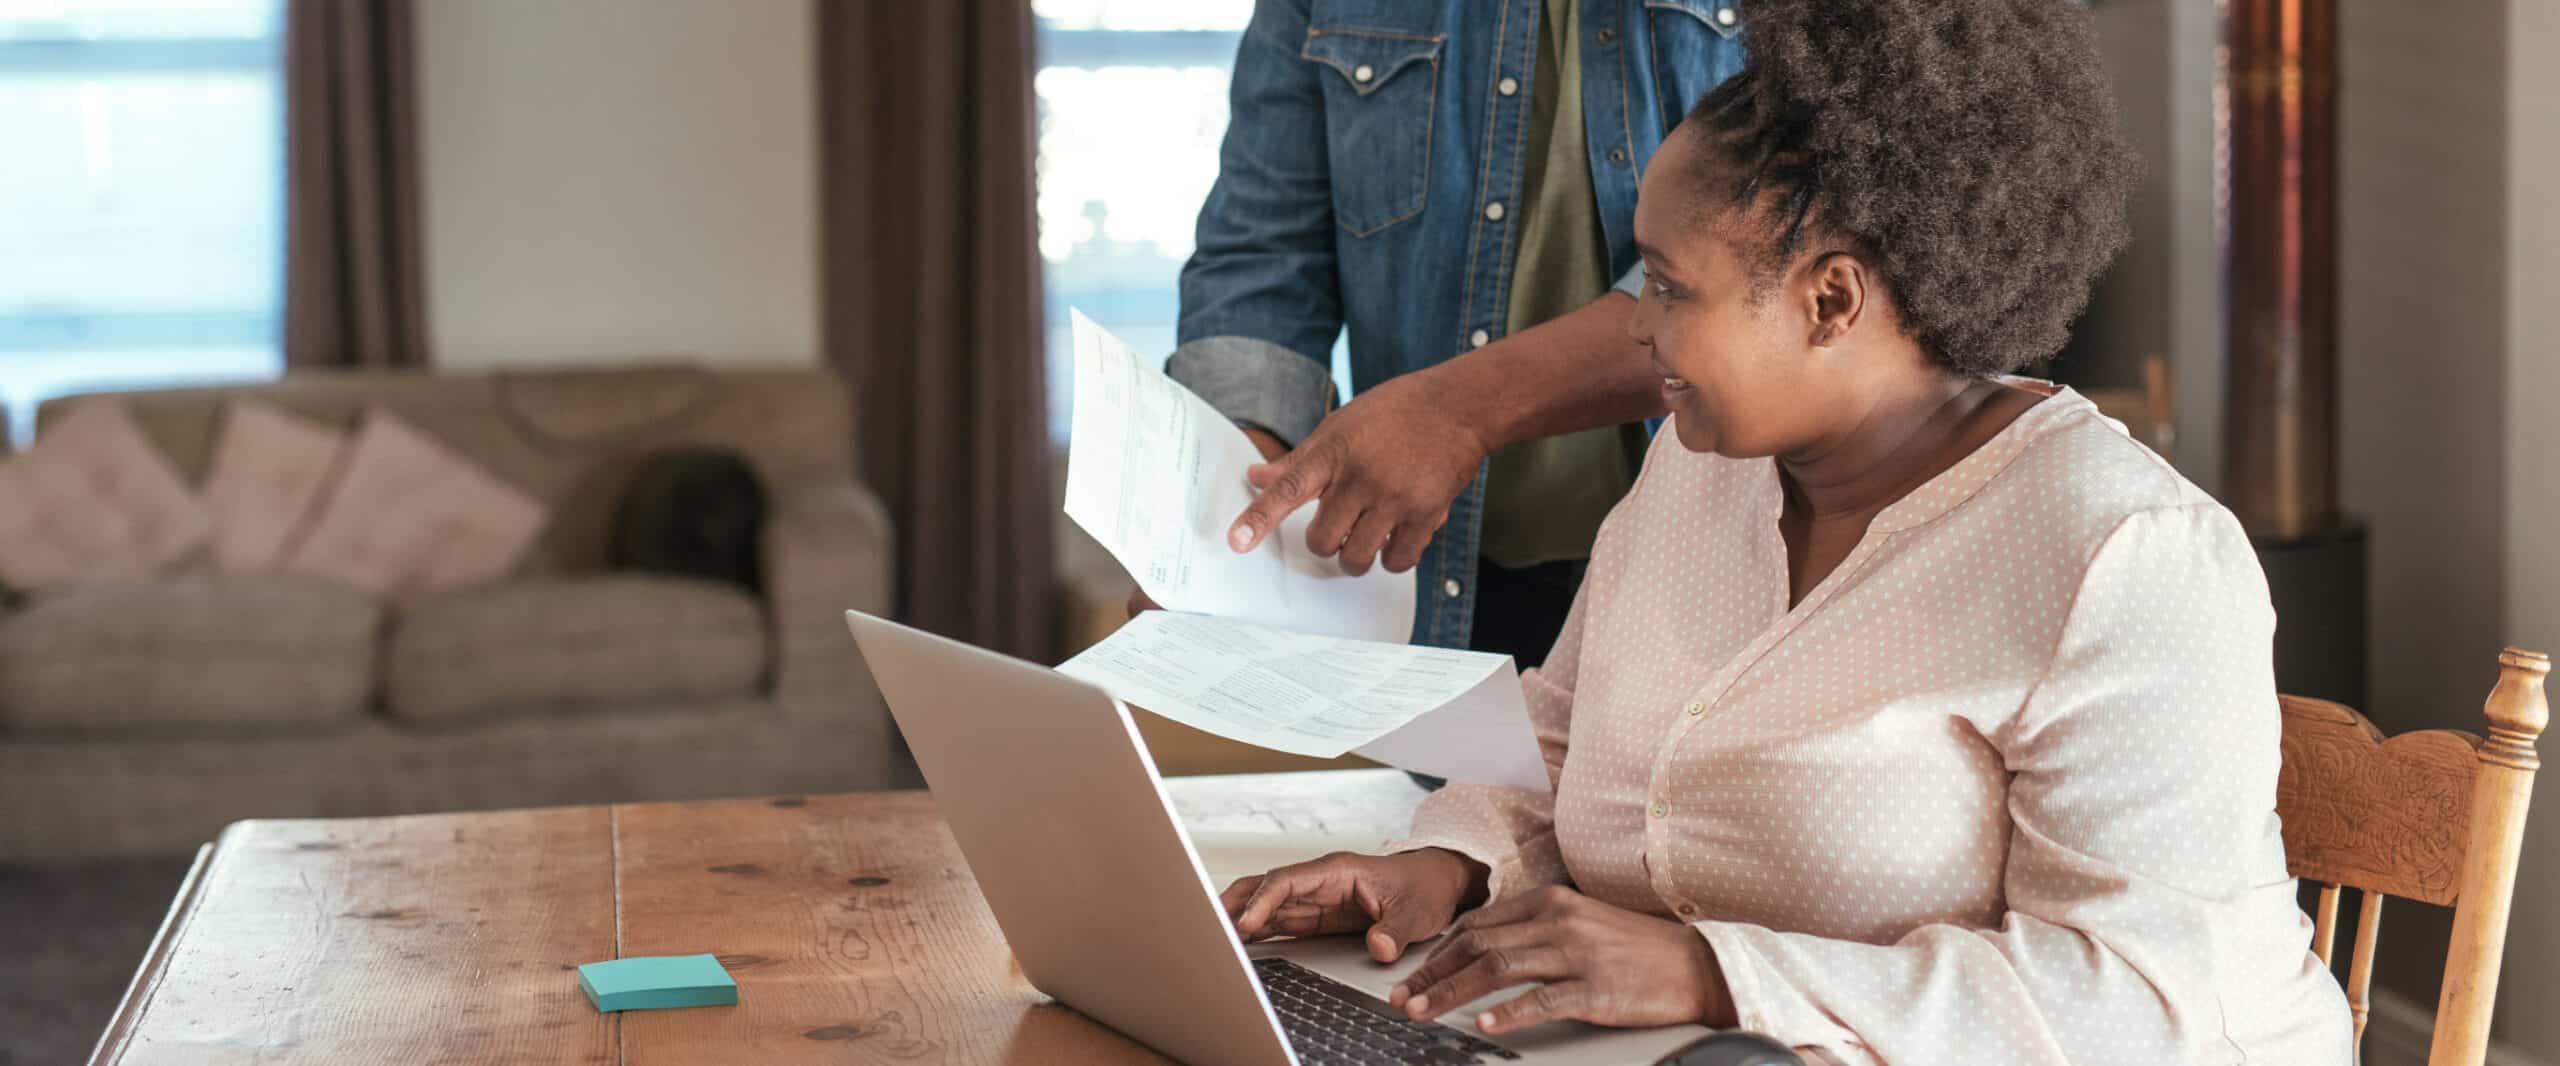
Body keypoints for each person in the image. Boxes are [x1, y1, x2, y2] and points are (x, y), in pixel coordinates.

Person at [1217, 1, 2355, 1062]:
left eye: (1667, 289)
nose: (1639, 336)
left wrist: (1714, 973)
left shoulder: (2124, 555)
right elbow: (1563, 732)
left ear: (1830, 301)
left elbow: (2136, 1002)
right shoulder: (1698, 470)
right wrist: (1445, 864)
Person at [1161, 0, 1746, 666]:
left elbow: (1760, 269)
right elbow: (1265, 254)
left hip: (1723, 569)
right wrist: (1234, 512)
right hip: (1443, 583)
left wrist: (1457, 411)